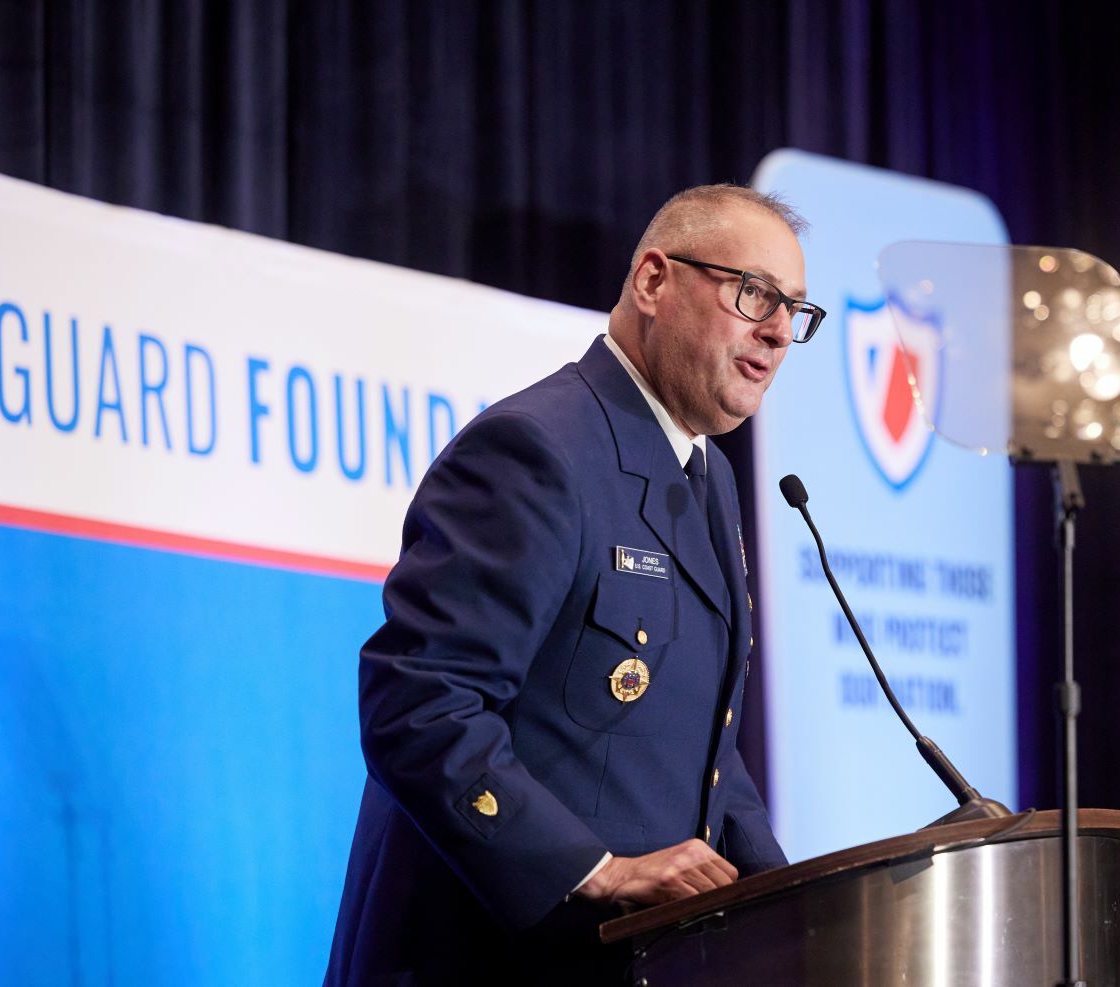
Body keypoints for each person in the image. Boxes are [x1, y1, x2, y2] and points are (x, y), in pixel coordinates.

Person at [325, 184, 825, 984]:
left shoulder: (709, 479)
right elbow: (417, 703)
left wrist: (797, 907)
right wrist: (594, 868)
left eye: (795, 310)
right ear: (654, 282)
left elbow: (710, 759)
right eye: (752, 291)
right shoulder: (536, 451)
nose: (776, 330)